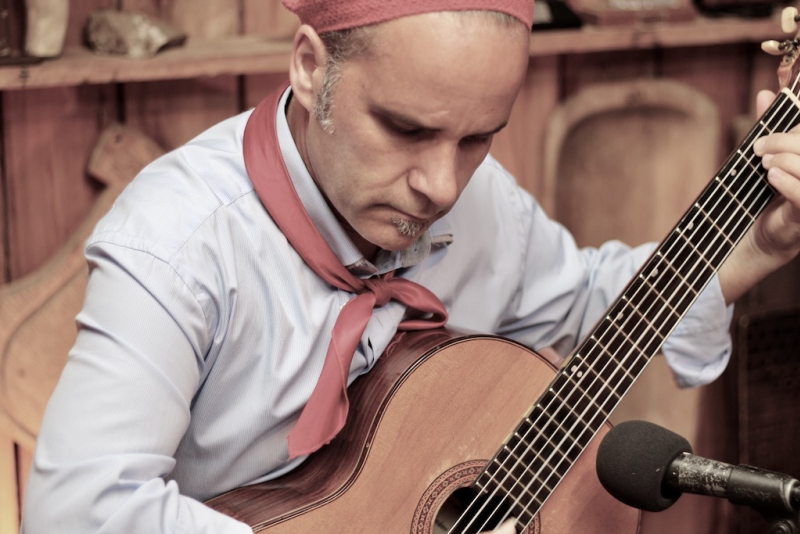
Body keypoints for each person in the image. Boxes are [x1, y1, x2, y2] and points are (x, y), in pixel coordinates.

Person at [20, 0, 800, 532]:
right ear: (308, 67)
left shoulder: (479, 200)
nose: (442, 185)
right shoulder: (180, 238)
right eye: (405, 129)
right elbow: (82, 507)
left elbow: (597, 305)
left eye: (477, 138)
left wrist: (749, 249)